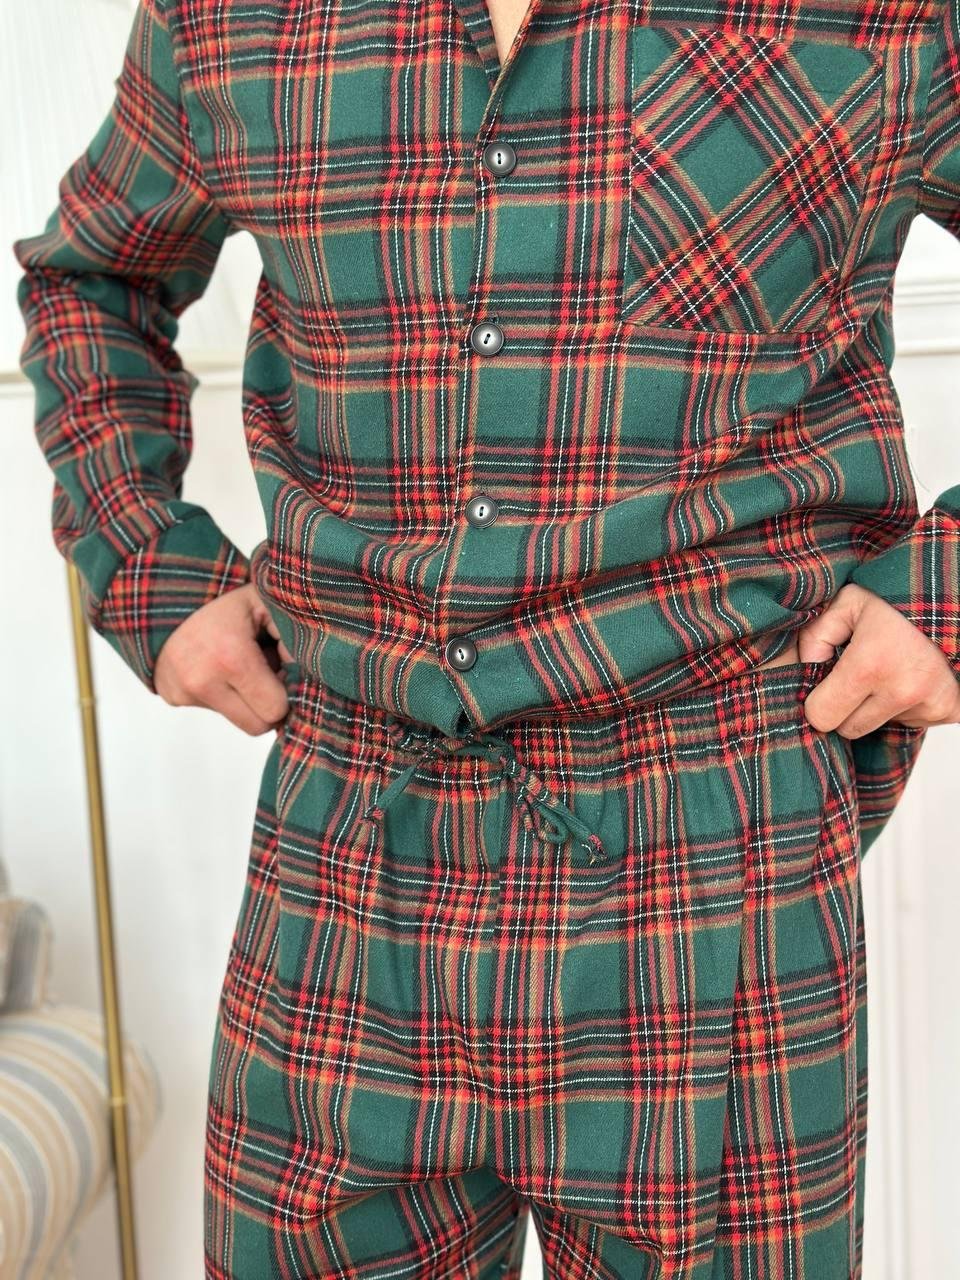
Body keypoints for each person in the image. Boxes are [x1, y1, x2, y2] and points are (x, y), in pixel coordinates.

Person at [12, 0, 960, 1275]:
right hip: (345, 835)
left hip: (713, 839)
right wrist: (149, 567)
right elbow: (93, 276)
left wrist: (946, 592)